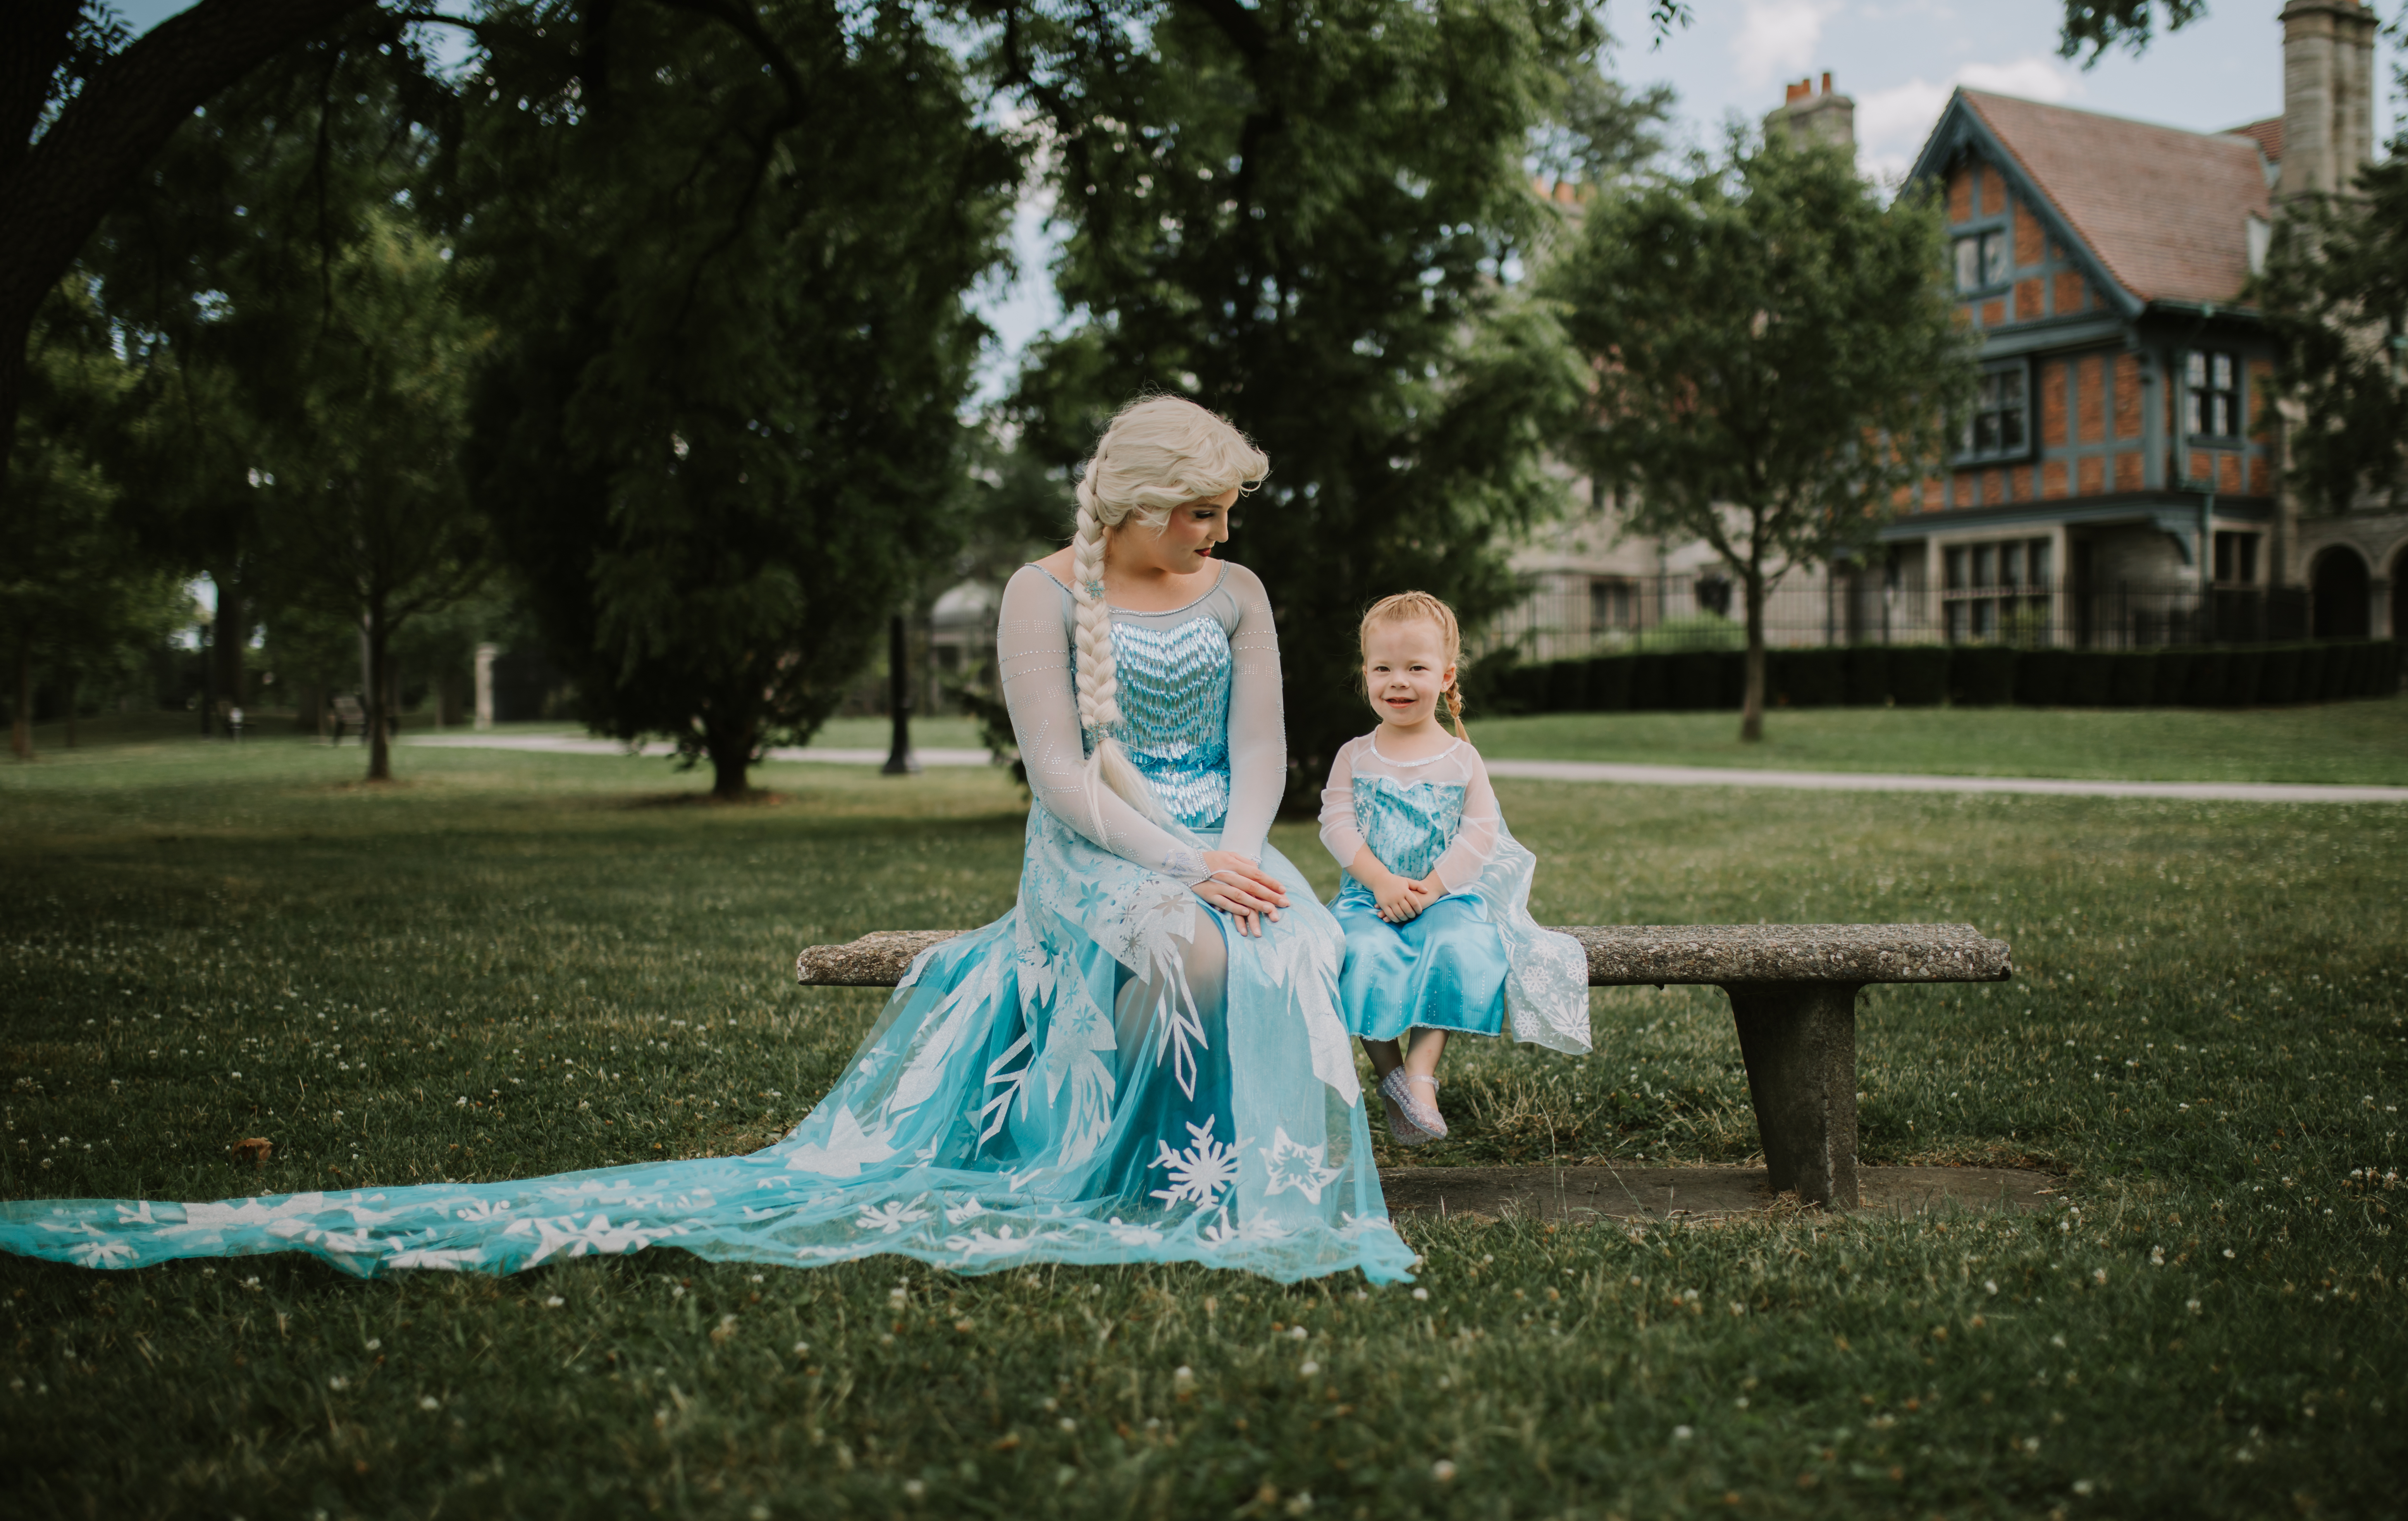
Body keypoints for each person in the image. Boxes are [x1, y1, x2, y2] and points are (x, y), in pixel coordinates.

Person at [0, 397, 1415, 1287]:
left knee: (1281, 943)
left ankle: (1226, 1179)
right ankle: (1135, 1176)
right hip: (1098, 851)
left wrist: (1240, 852)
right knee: (1188, 952)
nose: (1218, 532)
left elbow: (1259, 752)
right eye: (1200, 511)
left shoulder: (1236, 592)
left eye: (1225, 515)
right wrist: (1179, 865)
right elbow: (1058, 779)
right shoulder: (1041, 595)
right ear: (1133, 505)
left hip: (1219, 835)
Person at [1319, 592, 1591, 1145]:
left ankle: (1421, 1074)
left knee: (1459, 946)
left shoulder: (1462, 759)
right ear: (1366, 674)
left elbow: (1479, 836)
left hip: (1445, 897)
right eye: (1383, 669)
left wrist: (1430, 889)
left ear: (1445, 676)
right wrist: (1382, 882)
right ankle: (1390, 1075)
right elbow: (1337, 825)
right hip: (1370, 897)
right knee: (1360, 951)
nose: (1398, 682)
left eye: (1416, 669)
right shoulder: (1355, 755)